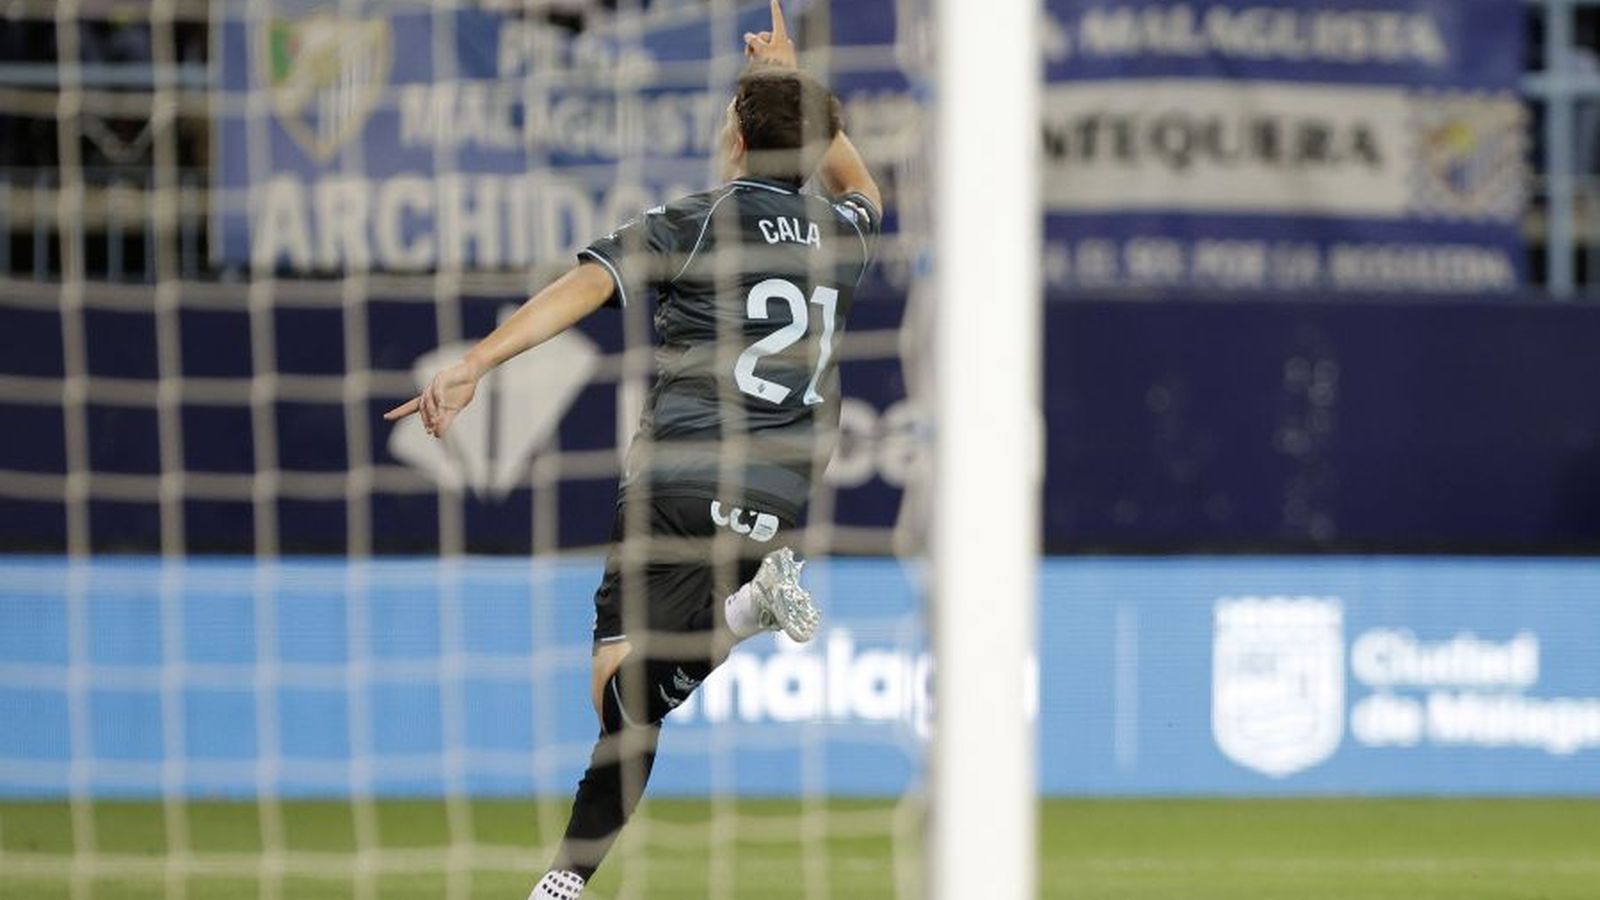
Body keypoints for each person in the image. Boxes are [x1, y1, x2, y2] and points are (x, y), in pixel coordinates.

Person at [385, 3, 881, 896]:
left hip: (682, 475)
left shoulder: (697, 220)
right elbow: (864, 186)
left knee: (620, 693)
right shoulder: (841, 236)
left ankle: (743, 619)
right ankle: (564, 884)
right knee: (654, 687)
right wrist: (794, 84)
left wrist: (475, 363)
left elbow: (583, 287)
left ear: (736, 138)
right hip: (778, 492)